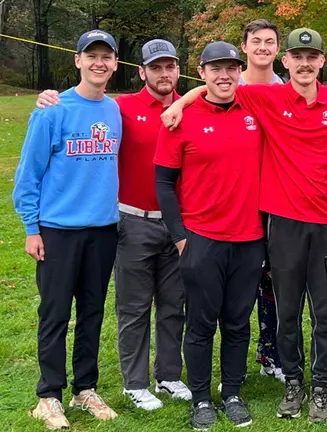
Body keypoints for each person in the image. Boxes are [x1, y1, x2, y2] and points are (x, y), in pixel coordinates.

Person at [160, 28, 327, 423]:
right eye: (296, 57)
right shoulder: (267, 96)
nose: (304, 63)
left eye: (311, 57)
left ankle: (321, 388)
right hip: (283, 224)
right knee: (286, 313)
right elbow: (219, 86)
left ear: (322, 62)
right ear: (286, 62)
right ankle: (293, 383)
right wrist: (180, 101)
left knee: (326, 311)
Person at [34, 40, 193, 410]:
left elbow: (219, 91)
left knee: (174, 305)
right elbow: (84, 108)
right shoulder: (120, 108)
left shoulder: (193, 108)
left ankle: (168, 375)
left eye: (171, 67)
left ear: (178, 70)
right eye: (156, 67)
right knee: (133, 308)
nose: (164, 73)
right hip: (132, 221)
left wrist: (187, 99)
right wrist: (48, 98)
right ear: (141, 72)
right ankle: (134, 383)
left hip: (180, 224)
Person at [13, 29, 122, 430]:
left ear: (114, 64)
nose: (99, 63)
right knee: (56, 313)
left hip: (104, 229)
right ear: (77, 60)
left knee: (92, 312)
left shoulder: (114, 110)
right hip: (57, 229)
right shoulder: (52, 109)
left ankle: (85, 388)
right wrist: (31, 227)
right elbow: (27, 175)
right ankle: (49, 395)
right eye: (91, 55)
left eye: (106, 57)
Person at [154, 41, 265, 430]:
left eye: (231, 68)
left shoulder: (253, 108)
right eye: (215, 69)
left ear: (239, 71)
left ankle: (231, 392)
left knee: (237, 322)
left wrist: (183, 98)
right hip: (202, 239)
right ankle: (201, 398)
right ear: (201, 72)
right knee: (201, 324)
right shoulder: (179, 119)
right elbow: (164, 184)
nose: (224, 76)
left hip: (250, 239)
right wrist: (181, 238)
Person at [240, 18, 285, 384]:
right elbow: (196, 94)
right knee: (241, 283)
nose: (263, 48)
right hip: (235, 197)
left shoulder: (287, 90)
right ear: (245, 47)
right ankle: (233, 356)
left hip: (275, 198)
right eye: (256, 41)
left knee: (273, 280)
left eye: (269, 41)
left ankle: (271, 351)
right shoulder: (229, 85)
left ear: (278, 49)